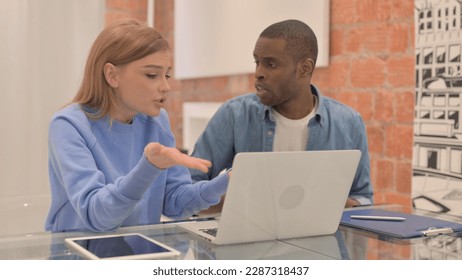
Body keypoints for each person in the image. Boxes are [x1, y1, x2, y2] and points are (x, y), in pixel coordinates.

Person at [45, 18, 228, 233]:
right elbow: (97, 216)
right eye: (152, 75)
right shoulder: (68, 125)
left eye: (166, 74)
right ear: (112, 75)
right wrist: (149, 167)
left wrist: (226, 181)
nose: (166, 86)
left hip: (140, 256)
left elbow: (174, 204)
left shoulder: (157, 121)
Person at [190, 19, 373, 208]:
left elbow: (363, 198)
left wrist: (329, 205)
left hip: (321, 236)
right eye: (257, 62)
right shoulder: (234, 114)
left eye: (271, 64)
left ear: (304, 69)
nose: (258, 73)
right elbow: (188, 190)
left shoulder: (349, 122)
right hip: (249, 235)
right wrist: (243, 206)